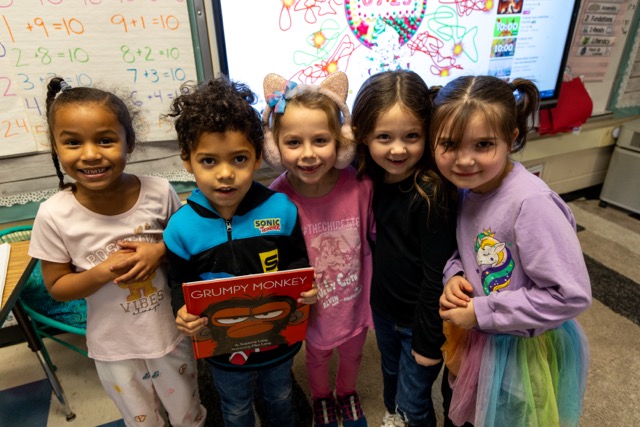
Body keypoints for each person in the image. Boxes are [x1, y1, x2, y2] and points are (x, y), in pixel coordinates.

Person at [28, 77, 206, 427]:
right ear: (56, 148)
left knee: (188, 413)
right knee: (142, 420)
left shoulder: (159, 191)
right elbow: (58, 287)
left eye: (106, 140)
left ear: (129, 142)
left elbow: (186, 248)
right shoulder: (53, 214)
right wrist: (100, 273)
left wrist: (158, 252)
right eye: (73, 142)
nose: (91, 154)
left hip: (170, 335)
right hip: (114, 348)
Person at [432, 75, 591, 427]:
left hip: (518, 351)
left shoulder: (532, 203)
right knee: (458, 412)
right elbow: (468, 248)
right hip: (479, 338)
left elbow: (571, 295)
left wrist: (482, 312)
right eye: (449, 144)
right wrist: (454, 274)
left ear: (512, 139)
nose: (464, 160)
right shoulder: (466, 187)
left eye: (483, 144)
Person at [163, 75, 317, 427]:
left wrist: (305, 289)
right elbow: (179, 283)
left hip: (278, 342)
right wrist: (182, 310)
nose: (226, 175)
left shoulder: (281, 210)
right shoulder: (181, 229)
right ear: (187, 160)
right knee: (235, 407)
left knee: (279, 397)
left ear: (258, 156)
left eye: (239, 159)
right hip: (222, 350)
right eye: (209, 161)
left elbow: (297, 262)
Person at [261, 71, 375, 427]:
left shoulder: (360, 186)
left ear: (341, 141)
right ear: (274, 146)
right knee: (316, 355)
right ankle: (322, 397)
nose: (308, 155)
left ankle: (347, 392)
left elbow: (373, 241)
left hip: (354, 301)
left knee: (354, 354)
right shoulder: (276, 199)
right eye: (293, 142)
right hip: (312, 309)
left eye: (321, 140)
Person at [351, 70, 458, 427]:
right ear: (363, 136)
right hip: (384, 309)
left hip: (420, 321)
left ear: (427, 134)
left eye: (411, 136)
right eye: (384, 137)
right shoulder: (369, 173)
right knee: (391, 381)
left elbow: (436, 276)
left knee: (414, 404)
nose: (398, 149)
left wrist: (429, 343)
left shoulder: (431, 193)